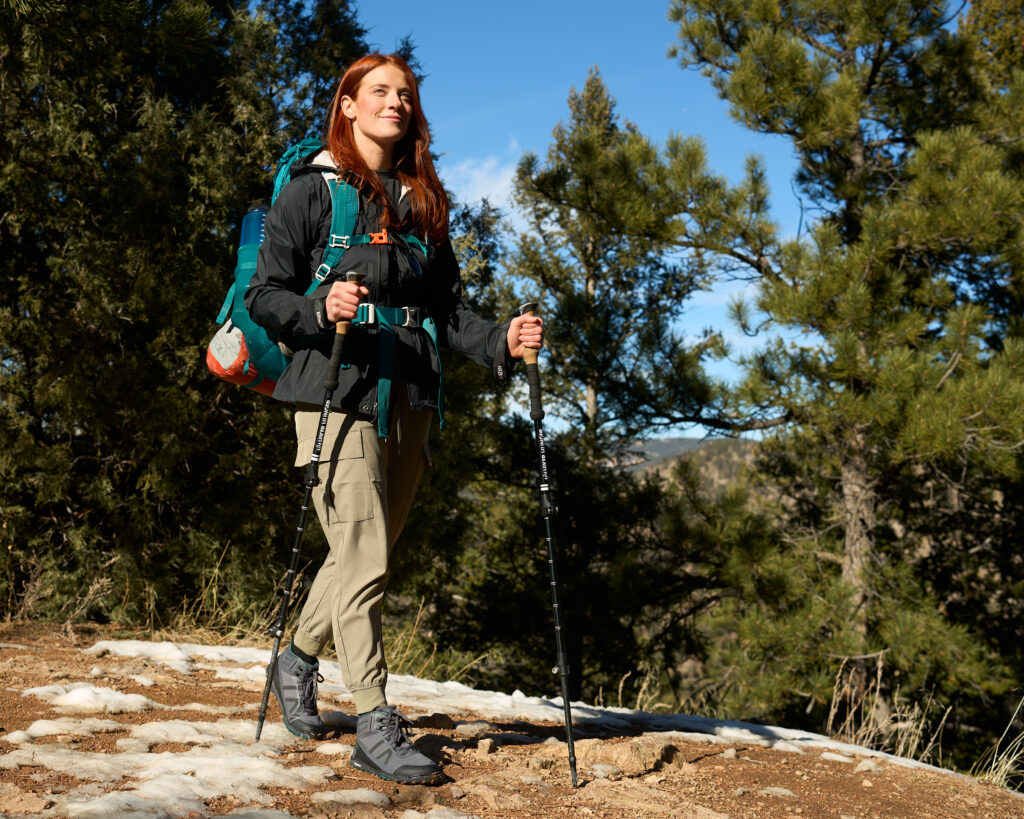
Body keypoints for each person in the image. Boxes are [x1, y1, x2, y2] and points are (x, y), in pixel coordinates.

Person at [244, 53, 543, 785]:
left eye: (405, 93)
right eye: (379, 90)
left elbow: (446, 310)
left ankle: (296, 657)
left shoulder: (420, 203)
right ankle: (375, 723)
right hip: (334, 389)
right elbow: (265, 294)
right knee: (367, 552)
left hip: (407, 395)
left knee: (361, 554)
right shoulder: (311, 193)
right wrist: (319, 309)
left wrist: (499, 339)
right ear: (346, 105)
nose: (396, 102)